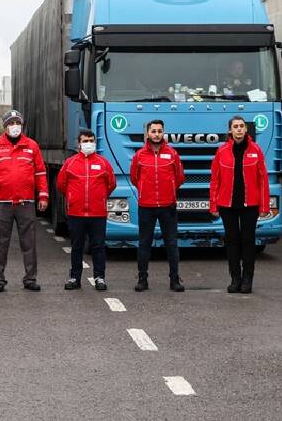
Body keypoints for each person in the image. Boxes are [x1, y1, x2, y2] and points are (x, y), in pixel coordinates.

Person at [0, 110, 48, 292]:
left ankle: (30, 278)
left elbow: (40, 173)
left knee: (29, 242)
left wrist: (43, 195)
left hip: (26, 202)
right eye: (11, 123)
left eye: (17, 123)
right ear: (5, 126)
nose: (15, 126)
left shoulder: (31, 146)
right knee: (0, 243)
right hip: (3, 203)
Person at [209, 115, 271, 294]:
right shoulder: (222, 151)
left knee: (248, 241)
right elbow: (215, 179)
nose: (238, 129)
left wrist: (264, 206)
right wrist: (213, 205)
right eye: (235, 126)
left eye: (241, 126)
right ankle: (235, 278)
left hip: (250, 204)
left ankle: (247, 279)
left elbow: (263, 179)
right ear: (230, 130)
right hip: (227, 204)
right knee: (232, 241)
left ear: (246, 129)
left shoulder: (256, 150)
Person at [129, 119, 186, 292]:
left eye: (159, 131)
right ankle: (142, 279)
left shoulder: (172, 154)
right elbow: (134, 178)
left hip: (168, 206)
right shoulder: (139, 155)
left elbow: (179, 177)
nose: (156, 134)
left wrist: (168, 191)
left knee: (171, 243)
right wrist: (146, 192)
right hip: (146, 206)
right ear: (148, 134)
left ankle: (174, 280)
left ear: (163, 133)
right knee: (144, 243)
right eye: (153, 131)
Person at [56, 129, 115, 291]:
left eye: (91, 140)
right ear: (79, 143)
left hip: (98, 214)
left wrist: (101, 197)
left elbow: (111, 184)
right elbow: (61, 184)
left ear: (95, 143)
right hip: (76, 213)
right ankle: (75, 277)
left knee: (98, 246)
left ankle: (99, 277)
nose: (88, 144)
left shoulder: (103, 163)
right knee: (77, 247)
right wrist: (73, 197)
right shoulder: (70, 163)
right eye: (85, 141)